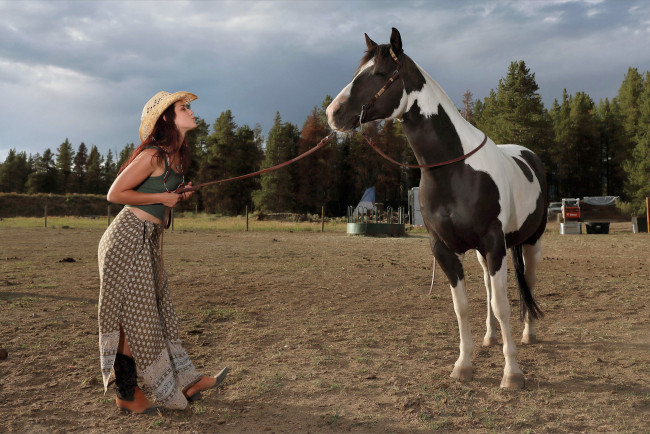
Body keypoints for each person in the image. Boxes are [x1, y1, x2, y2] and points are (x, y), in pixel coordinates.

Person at [97, 91, 229, 414]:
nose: (191, 110)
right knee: (134, 320)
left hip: (147, 240)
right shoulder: (154, 155)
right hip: (126, 239)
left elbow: (158, 200)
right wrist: (166, 200)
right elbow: (116, 193)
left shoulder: (176, 160)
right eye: (184, 108)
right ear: (168, 118)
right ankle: (128, 394)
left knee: (156, 313)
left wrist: (175, 196)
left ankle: (186, 380)